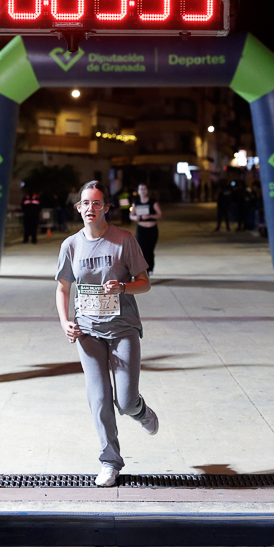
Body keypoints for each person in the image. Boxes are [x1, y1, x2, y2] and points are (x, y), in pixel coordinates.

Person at [55, 181, 159, 487]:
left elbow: (145, 282)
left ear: (106, 208)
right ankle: (110, 461)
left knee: (124, 401)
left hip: (123, 327)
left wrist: (123, 286)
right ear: (78, 208)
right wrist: (65, 321)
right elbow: (63, 288)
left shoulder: (124, 240)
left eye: (97, 203)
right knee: (99, 399)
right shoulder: (70, 245)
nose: (91, 208)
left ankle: (140, 411)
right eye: (85, 203)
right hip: (87, 331)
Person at [129, 183, 162, 275]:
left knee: (150, 250)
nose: (143, 191)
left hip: (152, 229)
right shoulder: (136, 203)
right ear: (138, 191)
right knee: (143, 250)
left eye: (144, 189)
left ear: (147, 191)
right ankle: (145, 269)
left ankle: (150, 268)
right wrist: (135, 218)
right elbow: (131, 215)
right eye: (141, 189)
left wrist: (150, 216)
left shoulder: (153, 202)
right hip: (141, 229)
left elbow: (160, 215)